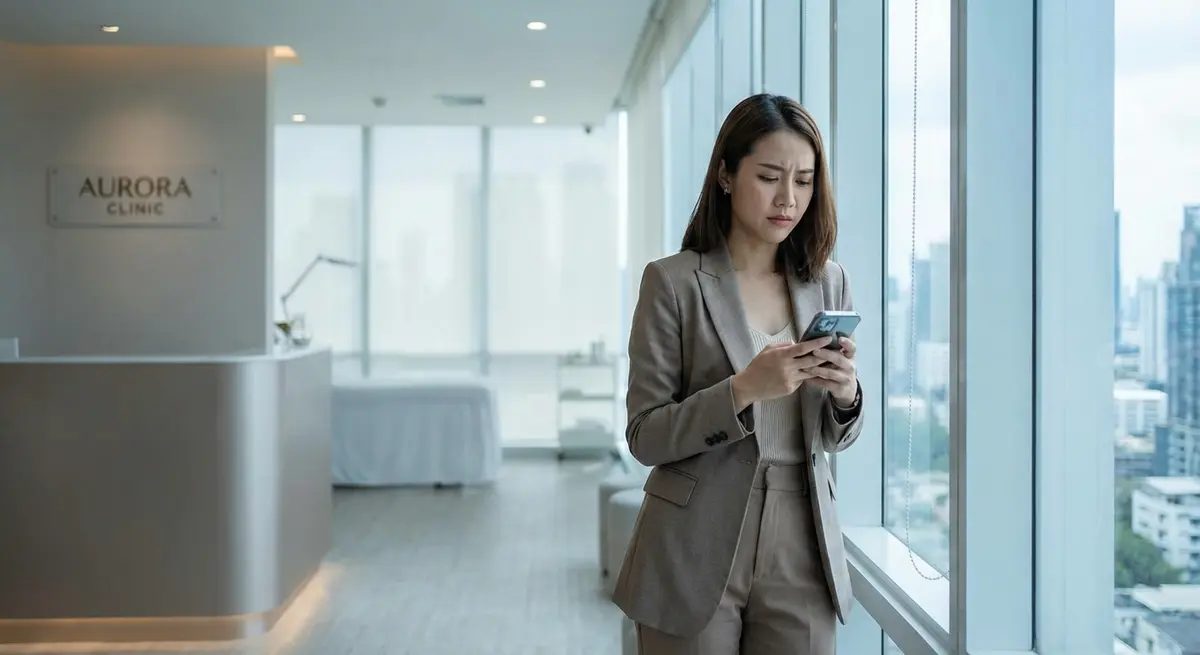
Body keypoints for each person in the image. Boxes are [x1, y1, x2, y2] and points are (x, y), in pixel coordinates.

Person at [611, 93, 863, 655]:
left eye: (803, 181)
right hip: (693, 536)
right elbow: (645, 434)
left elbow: (834, 433)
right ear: (726, 175)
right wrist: (745, 388)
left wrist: (847, 394)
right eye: (770, 177)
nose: (788, 198)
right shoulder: (672, 284)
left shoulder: (828, 282)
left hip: (803, 531)